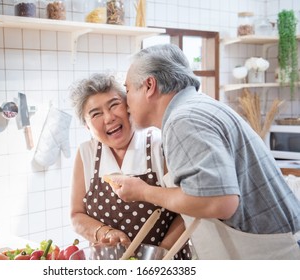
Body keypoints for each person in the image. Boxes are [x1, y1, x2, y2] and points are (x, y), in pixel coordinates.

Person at [111, 44, 300, 243]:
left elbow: (219, 202)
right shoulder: (197, 107)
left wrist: (143, 191)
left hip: (273, 253)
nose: (125, 101)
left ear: (149, 86)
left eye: (128, 89)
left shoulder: (183, 120)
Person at [69, 72, 192, 260]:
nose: (109, 118)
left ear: (128, 106)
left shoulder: (159, 144)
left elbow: (187, 211)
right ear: (87, 126)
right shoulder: (86, 153)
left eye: (114, 105)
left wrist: (157, 257)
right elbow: (77, 216)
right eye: (96, 114)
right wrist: (105, 233)